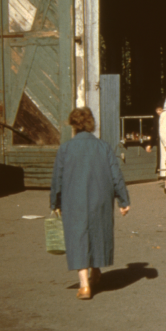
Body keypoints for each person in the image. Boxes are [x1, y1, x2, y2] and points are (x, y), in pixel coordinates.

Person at [50, 107, 131, 300]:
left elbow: (57, 179)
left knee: (78, 236)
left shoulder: (66, 148)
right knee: (97, 231)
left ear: (73, 126)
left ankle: (84, 285)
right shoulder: (103, 147)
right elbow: (116, 176)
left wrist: (55, 202)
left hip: (74, 199)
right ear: (91, 124)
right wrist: (123, 200)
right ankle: (96, 271)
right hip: (100, 198)